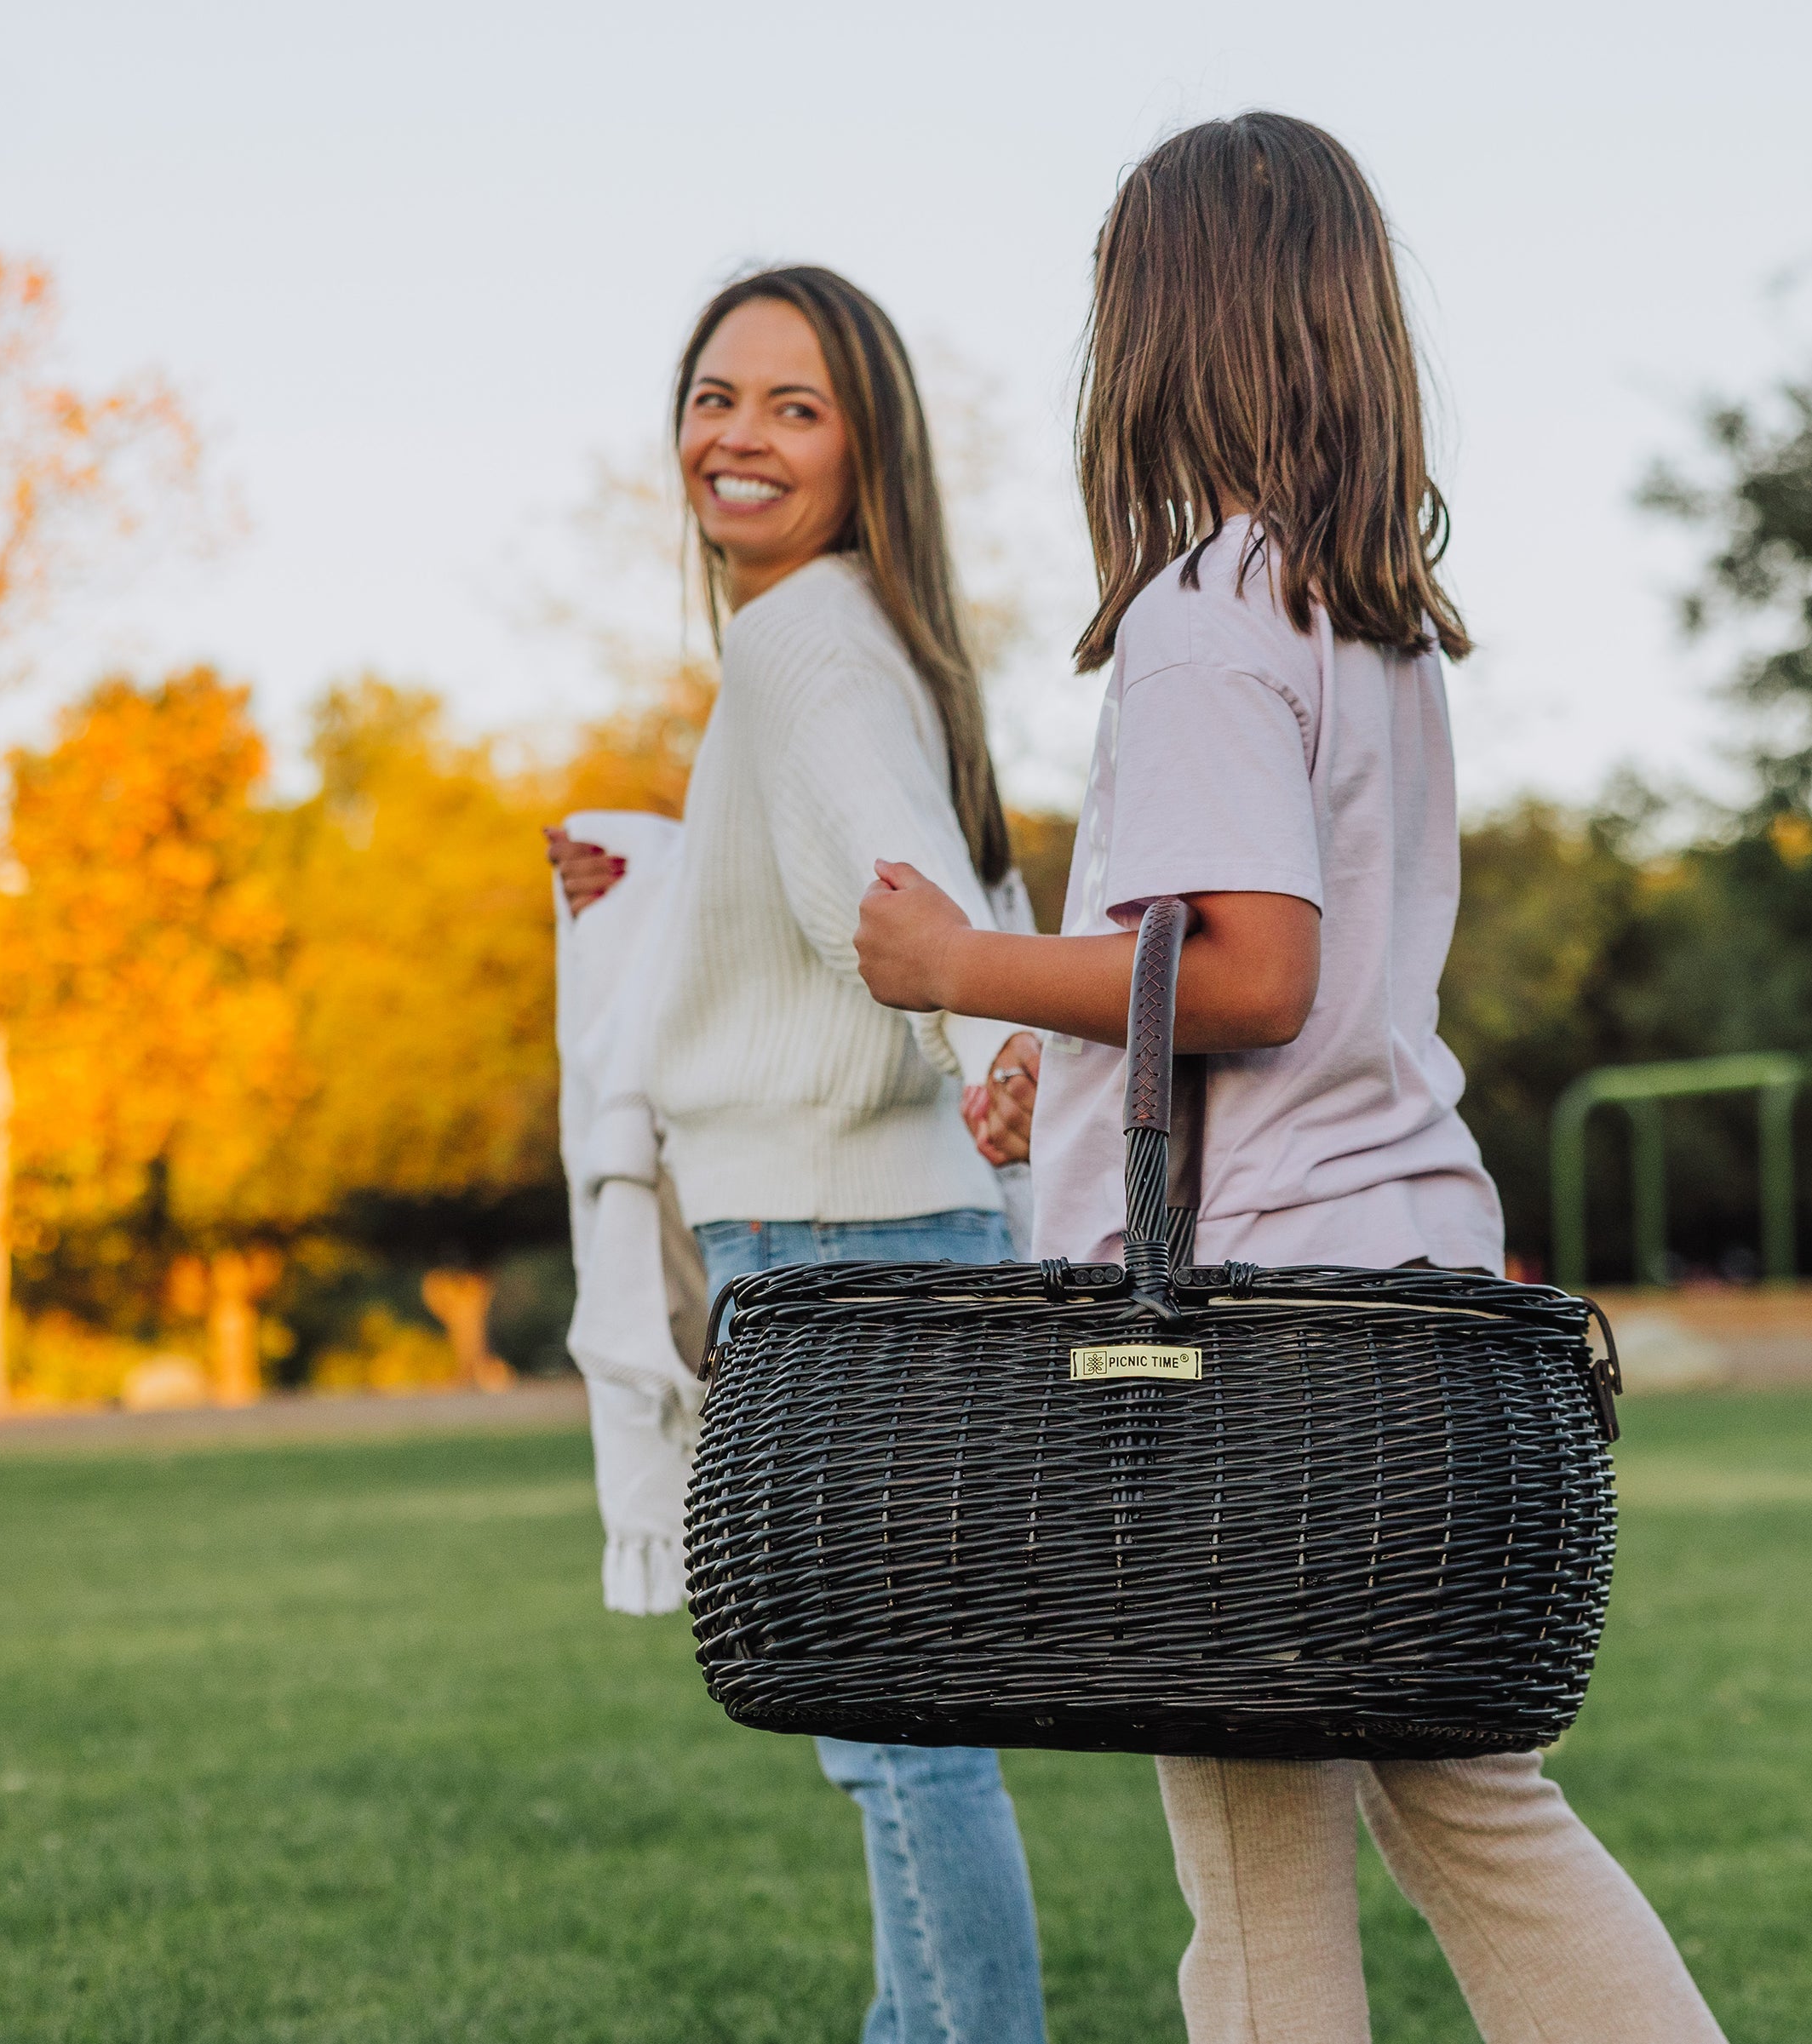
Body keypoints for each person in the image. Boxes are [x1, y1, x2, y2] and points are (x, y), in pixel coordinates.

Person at [853, 116, 1726, 2044]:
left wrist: (961, 964)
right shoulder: (1363, 619)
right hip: (1392, 1272)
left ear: (1158, 331)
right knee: (1476, 1806)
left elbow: (1249, 973)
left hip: (1248, 1317)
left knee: (1255, 1865)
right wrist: (1055, 1051)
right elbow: (1256, 977)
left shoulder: (1201, 622)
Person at [550, 265, 1049, 2044]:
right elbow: (846, 854)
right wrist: (645, 867)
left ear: (867, 448)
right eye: (713, 396)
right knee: (906, 1737)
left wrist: (985, 1037)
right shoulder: (854, 636)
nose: (737, 437)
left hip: (839, 1246)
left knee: (899, 1745)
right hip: (882, 1226)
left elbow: (885, 867)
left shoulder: (802, 640)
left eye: (793, 406)